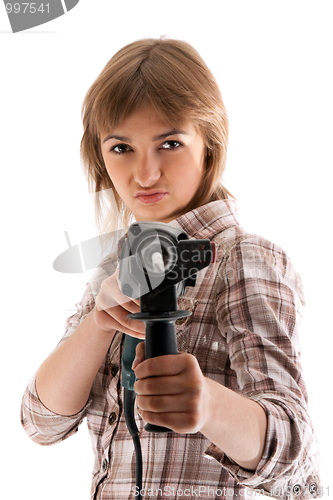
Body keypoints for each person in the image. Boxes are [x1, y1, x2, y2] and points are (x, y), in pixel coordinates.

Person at [21, 37, 321, 499]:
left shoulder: (243, 259)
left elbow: (296, 459)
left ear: (209, 144)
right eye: (121, 147)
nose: (144, 174)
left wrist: (209, 406)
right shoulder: (114, 267)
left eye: (170, 143)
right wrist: (96, 326)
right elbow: (41, 423)